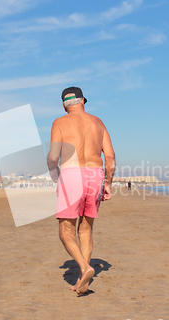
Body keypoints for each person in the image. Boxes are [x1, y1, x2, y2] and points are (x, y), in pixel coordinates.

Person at [47, 87, 116, 295]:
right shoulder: (98, 122)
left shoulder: (59, 122)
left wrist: (56, 176)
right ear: (83, 101)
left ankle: (85, 268)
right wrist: (108, 182)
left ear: (63, 105)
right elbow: (110, 157)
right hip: (95, 174)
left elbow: (53, 157)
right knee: (85, 230)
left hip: (71, 174)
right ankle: (81, 280)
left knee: (65, 232)